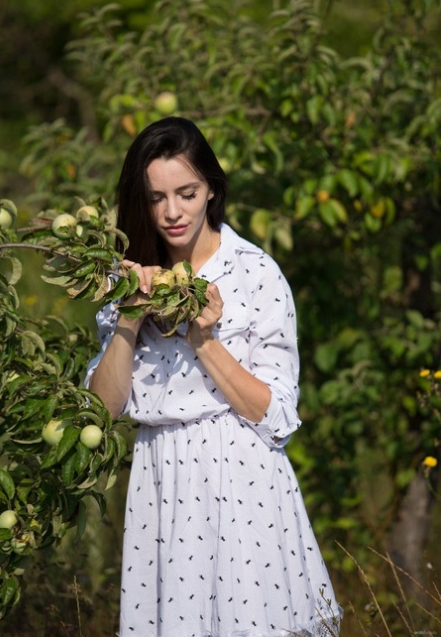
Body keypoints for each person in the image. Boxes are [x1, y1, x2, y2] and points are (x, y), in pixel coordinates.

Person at [85, 117, 342, 637]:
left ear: (211, 190)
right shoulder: (128, 278)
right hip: (161, 482)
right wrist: (131, 315)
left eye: (187, 192)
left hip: (243, 482)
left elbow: (277, 417)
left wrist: (203, 338)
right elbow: (102, 409)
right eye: (157, 197)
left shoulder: (255, 272)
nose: (172, 212)